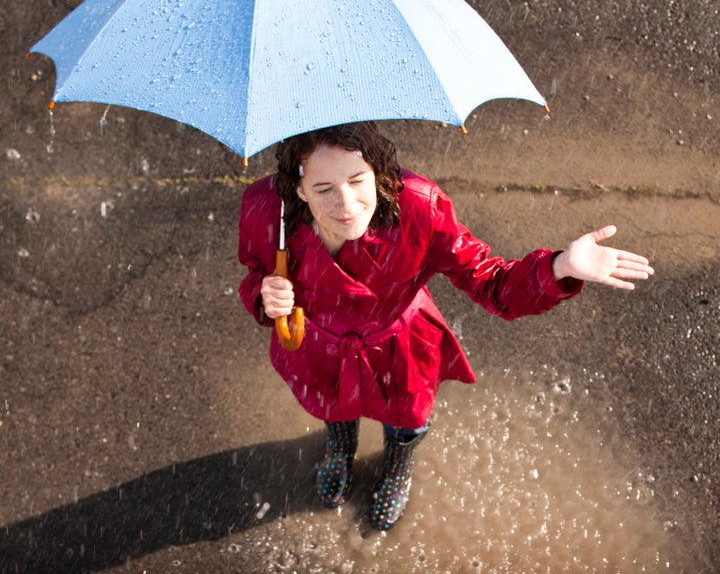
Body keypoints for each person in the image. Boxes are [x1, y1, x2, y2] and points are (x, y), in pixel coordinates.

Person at [237, 121, 653, 531]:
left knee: (406, 419)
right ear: (298, 189)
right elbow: (254, 271)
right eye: (324, 190)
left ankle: (398, 467)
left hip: (398, 347)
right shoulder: (265, 210)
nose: (345, 205)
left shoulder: (420, 207)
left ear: (379, 175)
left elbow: (493, 284)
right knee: (334, 408)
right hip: (321, 349)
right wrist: (263, 293)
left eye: (358, 180)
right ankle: (340, 449)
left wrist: (559, 266)